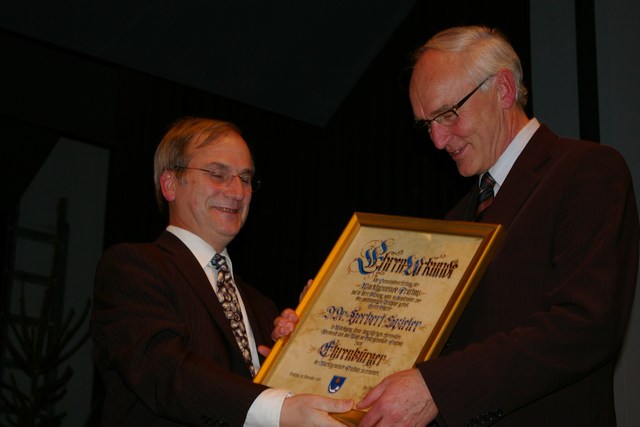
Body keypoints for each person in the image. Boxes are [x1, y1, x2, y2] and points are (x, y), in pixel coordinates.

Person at [272, 25, 639, 426]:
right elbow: (418, 341)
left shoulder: (586, 170)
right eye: (426, 124)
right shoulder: (457, 218)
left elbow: (585, 325)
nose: (437, 140)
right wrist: (327, 326)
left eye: (447, 114)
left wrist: (437, 388)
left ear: (503, 89)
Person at [90, 117, 353, 427]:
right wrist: (279, 408)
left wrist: (310, 342)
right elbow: (166, 373)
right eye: (218, 174)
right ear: (170, 184)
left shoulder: (261, 306)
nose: (238, 192)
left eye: (245, 178)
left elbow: (278, 407)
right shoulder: (133, 268)